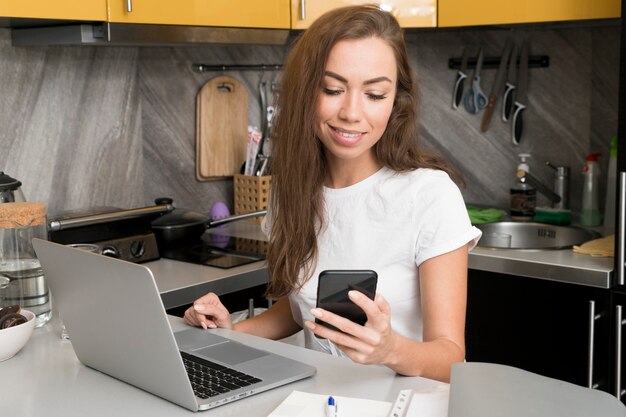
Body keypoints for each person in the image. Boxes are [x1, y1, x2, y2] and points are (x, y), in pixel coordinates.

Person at [184, 4, 481, 383]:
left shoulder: (430, 195)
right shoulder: (290, 191)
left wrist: (390, 349)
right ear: (306, 91)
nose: (352, 112)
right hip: (317, 400)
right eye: (333, 89)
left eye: (374, 94)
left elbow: (452, 360)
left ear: (396, 101)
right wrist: (230, 330)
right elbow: (297, 311)